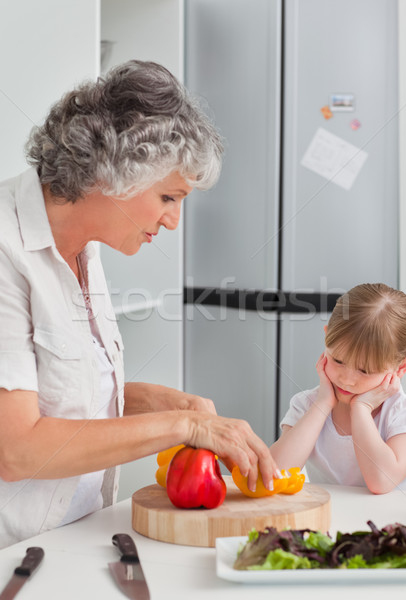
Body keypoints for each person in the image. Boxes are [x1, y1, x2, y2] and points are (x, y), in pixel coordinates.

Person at [0, 60, 280, 548]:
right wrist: (182, 424)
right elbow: (18, 448)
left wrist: (163, 403)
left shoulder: (84, 243)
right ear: (117, 175)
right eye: (169, 197)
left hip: (73, 540)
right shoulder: (7, 249)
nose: (174, 221)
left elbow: (57, 390)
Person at [271, 283, 406, 494]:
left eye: (365, 371)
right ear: (326, 340)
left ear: (401, 368)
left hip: (392, 525)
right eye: (338, 360)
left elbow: (381, 483)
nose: (347, 380)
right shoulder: (307, 405)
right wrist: (322, 404)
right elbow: (275, 472)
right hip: (333, 521)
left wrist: (361, 409)